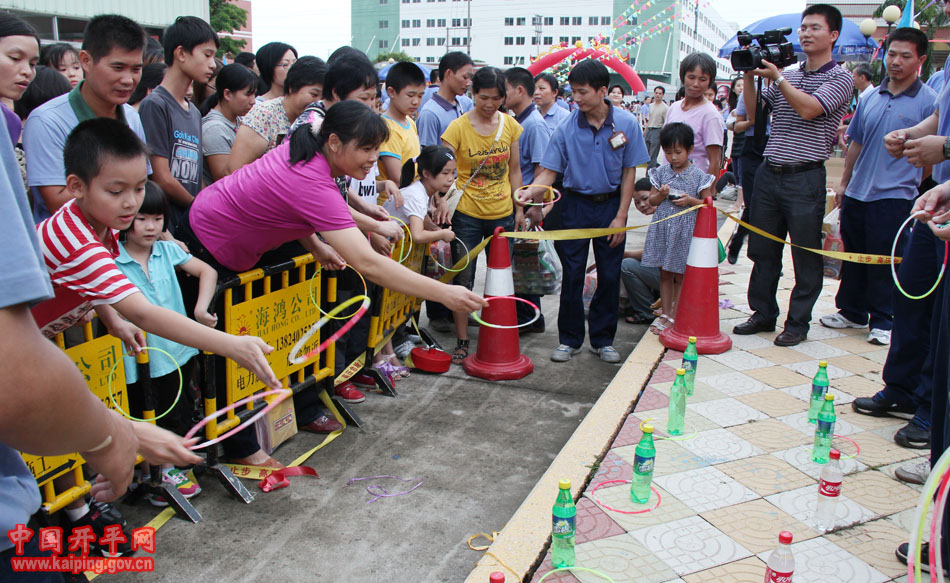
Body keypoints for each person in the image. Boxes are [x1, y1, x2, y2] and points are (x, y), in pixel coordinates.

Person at [733, 3, 853, 347]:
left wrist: (778, 77)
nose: (805, 33)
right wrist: (749, 74)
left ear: (832, 35)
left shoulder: (839, 77)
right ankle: (763, 313)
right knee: (763, 249)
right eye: (803, 27)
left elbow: (809, 108)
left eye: (815, 27)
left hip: (805, 178)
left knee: (805, 253)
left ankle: (798, 323)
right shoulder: (789, 72)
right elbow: (754, 113)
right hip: (770, 173)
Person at [520, 59, 650, 363]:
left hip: (611, 208)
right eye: (573, 92)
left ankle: (603, 340)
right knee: (574, 274)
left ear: (602, 91)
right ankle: (570, 339)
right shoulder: (567, 125)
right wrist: (531, 191)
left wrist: (622, 215)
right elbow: (550, 171)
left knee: (608, 274)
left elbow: (631, 172)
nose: (576, 98)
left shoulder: (626, 123)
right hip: (574, 206)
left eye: (582, 92)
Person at [822, 28, 935, 348]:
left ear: (921, 60)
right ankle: (852, 311)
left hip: (896, 196)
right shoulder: (870, 96)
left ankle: (884, 319)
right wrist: (845, 183)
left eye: (906, 56)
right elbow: (855, 144)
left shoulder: (930, 102)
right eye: (892, 54)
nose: (896, 62)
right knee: (855, 254)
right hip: (858, 193)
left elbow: (928, 156)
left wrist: (917, 187)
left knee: (887, 259)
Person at [116, 182, 215, 506]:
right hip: (135, 359)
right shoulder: (110, 260)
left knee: (176, 412)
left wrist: (200, 308)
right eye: (142, 218)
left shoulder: (167, 251)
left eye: (158, 219)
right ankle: (150, 473)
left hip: (174, 353)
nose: (150, 227)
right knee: (142, 414)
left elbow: (207, 271)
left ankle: (168, 469)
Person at [23, 14, 149, 224]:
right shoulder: (47, 122)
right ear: (86, 61)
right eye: (117, 68)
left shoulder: (132, 117)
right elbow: (57, 203)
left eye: (136, 69)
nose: (128, 80)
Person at [441, 67, 523, 364]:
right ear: (472, 94)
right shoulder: (457, 128)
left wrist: (520, 207)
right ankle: (462, 339)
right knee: (464, 276)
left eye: (496, 98)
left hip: (503, 212)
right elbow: (444, 171)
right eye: (483, 98)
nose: (489, 105)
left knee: (502, 276)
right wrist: (440, 200)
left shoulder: (510, 125)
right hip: (467, 214)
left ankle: (500, 331)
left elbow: (514, 170)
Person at [139, 16, 218, 235]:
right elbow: (161, 176)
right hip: (163, 228)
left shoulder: (193, 111)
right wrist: (198, 207)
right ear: (181, 54)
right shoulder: (155, 105)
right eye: (207, 54)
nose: (212, 63)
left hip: (189, 223)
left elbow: (196, 174)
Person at [416, 51, 474, 333]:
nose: (468, 82)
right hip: (439, 197)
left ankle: (454, 307)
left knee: (452, 255)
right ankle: (438, 311)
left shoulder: (464, 105)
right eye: (465, 76)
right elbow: (428, 159)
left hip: (455, 193)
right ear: (448, 74)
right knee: (436, 257)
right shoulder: (430, 112)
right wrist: (437, 199)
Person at [641, 123, 715, 334]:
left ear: (690, 149)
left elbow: (707, 203)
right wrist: (661, 194)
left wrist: (690, 200)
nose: (673, 157)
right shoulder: (661, 173)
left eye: (678, 152)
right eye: (668, 152)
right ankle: (665, 313)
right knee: (665, 273)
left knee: (681, 274)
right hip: (664, 229)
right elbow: (653, 200)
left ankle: (677, 313)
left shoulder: (699, 176)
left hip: (685, 231)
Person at [505, 66, 553, 333]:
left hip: (527, 204)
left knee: (525, 265)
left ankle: (530, 317)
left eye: (505, 89)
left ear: (519, 90)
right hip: (520, 203)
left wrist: (535, 208)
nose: (501, 95)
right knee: (521, 263)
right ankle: (528, 316)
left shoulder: (533, 124)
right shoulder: (519, 121)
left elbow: (541, 170)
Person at [227, 56, 325, 173]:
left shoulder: (316, 120)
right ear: (292, 87)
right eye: (314, 94)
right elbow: (233, 171)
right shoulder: (264, 115)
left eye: (323, 98)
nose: (318, 102)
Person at [725, 77, 770, 264]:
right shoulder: (749, 92)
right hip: (752, 148)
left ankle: (768, 257)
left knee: (770, 208)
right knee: (752, 205)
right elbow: (737, 125)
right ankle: (737, 242)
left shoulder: (786, 88)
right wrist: (754, 120)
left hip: (775, 148)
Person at [663, 53, 723, 190]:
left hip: (693, 189)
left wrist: (707, 196)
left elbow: (714, 161)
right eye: (691, 77)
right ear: (683, 77)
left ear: (710, 82)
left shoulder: (711, 114)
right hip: (668, 186)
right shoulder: (674, 108)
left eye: (702, 79)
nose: (696, 84)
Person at [201, 63, 259, 183]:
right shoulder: (214, 129)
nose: (253, 101)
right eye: (248, 94)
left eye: (254, 94)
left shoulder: (240, 120)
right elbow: (224, 180)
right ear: (227, 94)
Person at [621, 177, 661, 325]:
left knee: (627, 266)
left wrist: (623, 254)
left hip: (678, 280)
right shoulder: (661, 214)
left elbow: (653, 255)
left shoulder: (665, 217)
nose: (642, 205)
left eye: (645, 198)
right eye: (637, 202)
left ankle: (648, 312)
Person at [378, 61, 424, 184]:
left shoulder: (409, 121)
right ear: (391, 92)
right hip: (394, 200)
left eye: (420, 96)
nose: (416, 102)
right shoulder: (387, 128)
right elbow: (398, 178)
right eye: (410, 95)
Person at [644, 86, 668, 168]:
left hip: (657, 131)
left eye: (660, 93)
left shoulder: (665, 108)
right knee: (646, 154)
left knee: (652, 155)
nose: (657, 95)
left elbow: (666, 123)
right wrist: (644, 132)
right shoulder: (650, 106)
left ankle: (649, 176)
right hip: (649, 130)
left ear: (663, 95)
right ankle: (654, 168)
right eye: (656, 93)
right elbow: (649, 119)